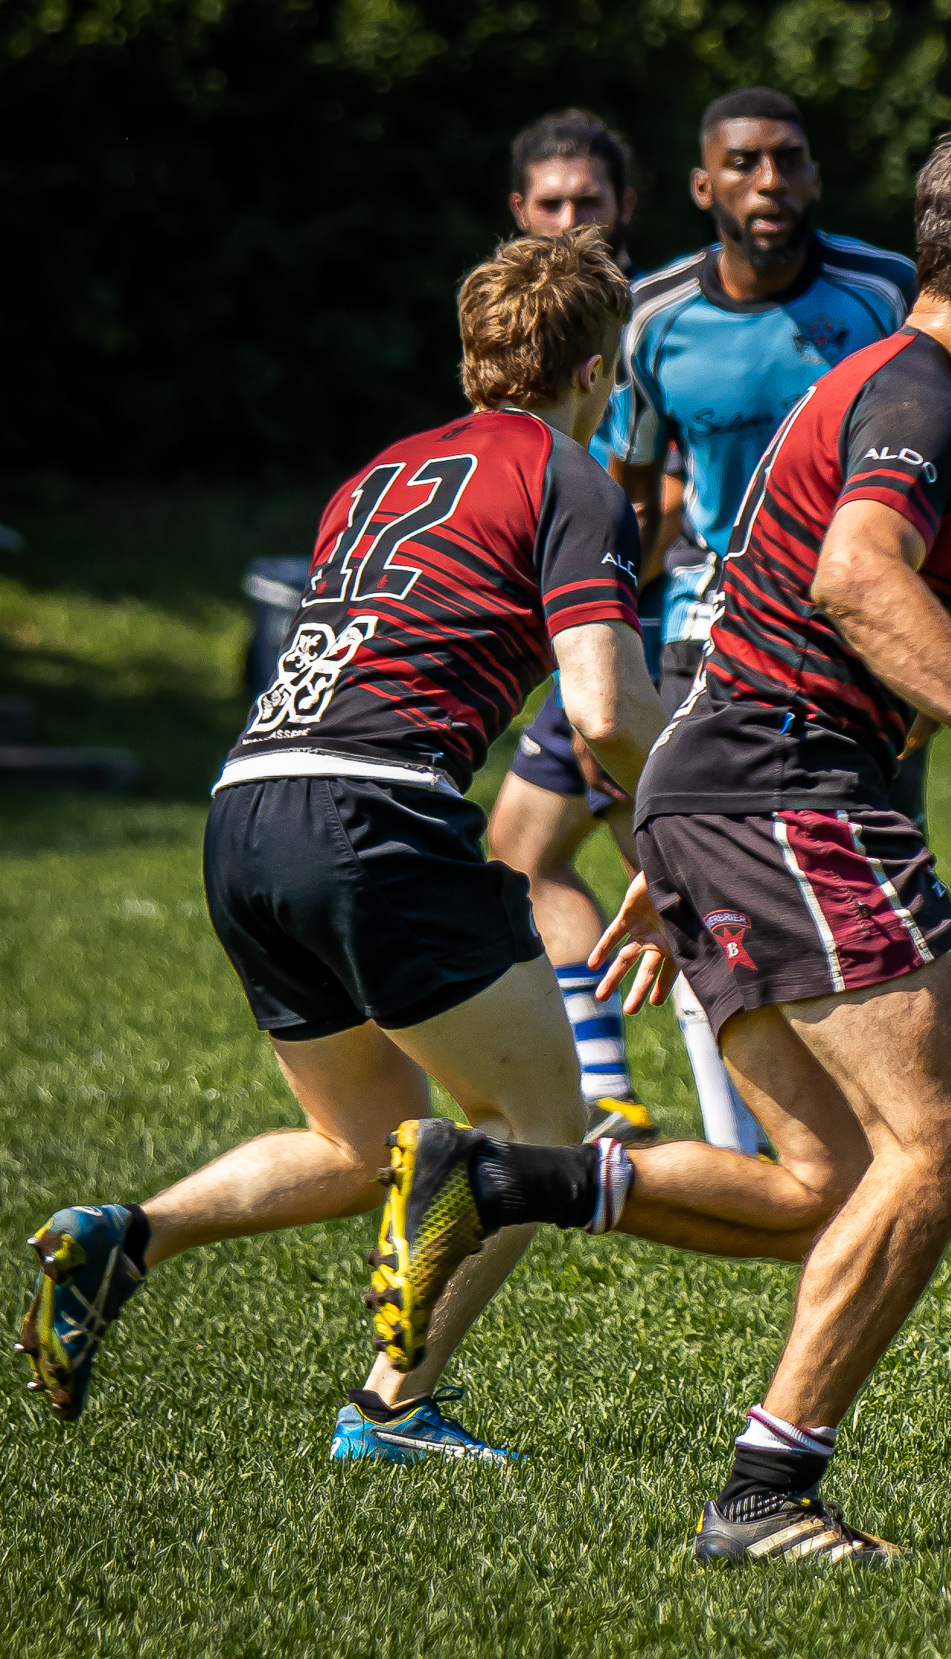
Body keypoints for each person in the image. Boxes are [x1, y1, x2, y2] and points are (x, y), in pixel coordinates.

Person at [363, 116, 951, 1563]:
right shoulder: (923, 393)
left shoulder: (873, 372)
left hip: (727, 792)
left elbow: (752, 608)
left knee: (825, 1183)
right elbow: (859, 579)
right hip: (789, 786)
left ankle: (499, 1179)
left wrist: (669, 851)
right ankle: (764, 1496)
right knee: (947, 1139)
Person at [16, 230, 666, 1459]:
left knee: (359, 1142)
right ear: (596, 369)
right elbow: (603, 711)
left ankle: (126, 1237)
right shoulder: (573, 478)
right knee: (539, 1126)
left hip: (244, 811)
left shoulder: (374, 475)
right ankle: (393, 1407)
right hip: (373, 816)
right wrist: (698, 826)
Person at [606, 86, 921, 1153]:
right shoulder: (652, 320)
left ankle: (885, 1126)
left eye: (787, 161)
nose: (769, 183)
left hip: (859, 633)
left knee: (875, 876)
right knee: (715, 886)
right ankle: (745, 1144)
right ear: (703, 186)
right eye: (743, 164)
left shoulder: (885, 293)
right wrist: (594, 629)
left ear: (816, 177)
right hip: (711, 626)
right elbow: (632, 495)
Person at [488, 110, 671, 1143]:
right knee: (542, 847)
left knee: (675, 857)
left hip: (629, 626)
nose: (568, 222)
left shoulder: (647, 321)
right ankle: (611, 1093)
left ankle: (788, 1110)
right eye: (549, 204)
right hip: (586, 630)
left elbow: (662, 489)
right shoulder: (518, 320)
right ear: (518, 210)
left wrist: (587, 597)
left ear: (623, 207)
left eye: (586, 203)